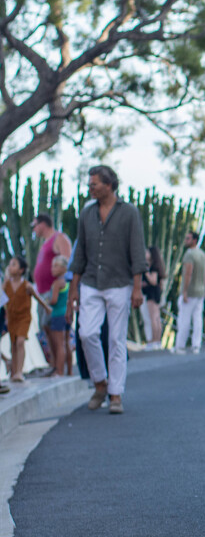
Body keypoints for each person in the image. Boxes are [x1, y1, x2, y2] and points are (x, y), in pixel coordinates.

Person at [67, 164, 147, 414]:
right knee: (87, 334)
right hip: (91, 281)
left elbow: (136, 250)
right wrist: (73, 289)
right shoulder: (86, 213)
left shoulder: (129, 213)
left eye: (94, 184)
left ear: (109, 185)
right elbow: (79, 252)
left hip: (120, 283)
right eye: (89, 184)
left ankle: (115, 394)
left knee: (116, 339)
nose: (90, 187)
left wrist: (137, 288)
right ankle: (100, 382)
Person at [5, 256, 52, 383]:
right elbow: (3, 301)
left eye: (14, 264)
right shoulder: (6, 284)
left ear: (21, 270)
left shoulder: (27, 285)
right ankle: (13, 372)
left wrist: (46, 308)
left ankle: (19, 372)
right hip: (11, 318)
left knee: (20, 342)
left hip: (23, 317)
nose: (10, 267)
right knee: (13, 344)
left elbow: (37, 297)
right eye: (10, 264)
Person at [174, 231, 205, 354]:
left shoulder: (189, 255)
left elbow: (188, 273)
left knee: (184, 319)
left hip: (191, 292)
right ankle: (196, 345)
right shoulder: (202, 254)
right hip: (200, 291)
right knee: (197, 319)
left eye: (188, 239)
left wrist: (184, 291)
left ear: (194, 240)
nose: (185, 241)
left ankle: (180, 346)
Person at [43, 255, 70, 376]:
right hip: (67, 313)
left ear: (64, 268)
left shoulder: (57, 283)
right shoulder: (68, 282)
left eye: (56, 266)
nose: (52, 268)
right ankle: (69, 370)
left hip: (58, 314)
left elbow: (53, 301)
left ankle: (59, 371)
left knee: (59, 345)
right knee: (66, 343)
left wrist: (45, 301)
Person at [142, 245, 166, 349]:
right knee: (156, 317)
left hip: (151, 293)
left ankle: (154, 341)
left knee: (153, 318)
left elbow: (153, 281)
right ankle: (157, 341)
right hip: (156, 293)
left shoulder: (153, 268)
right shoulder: (158, 266)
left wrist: (146, 272)